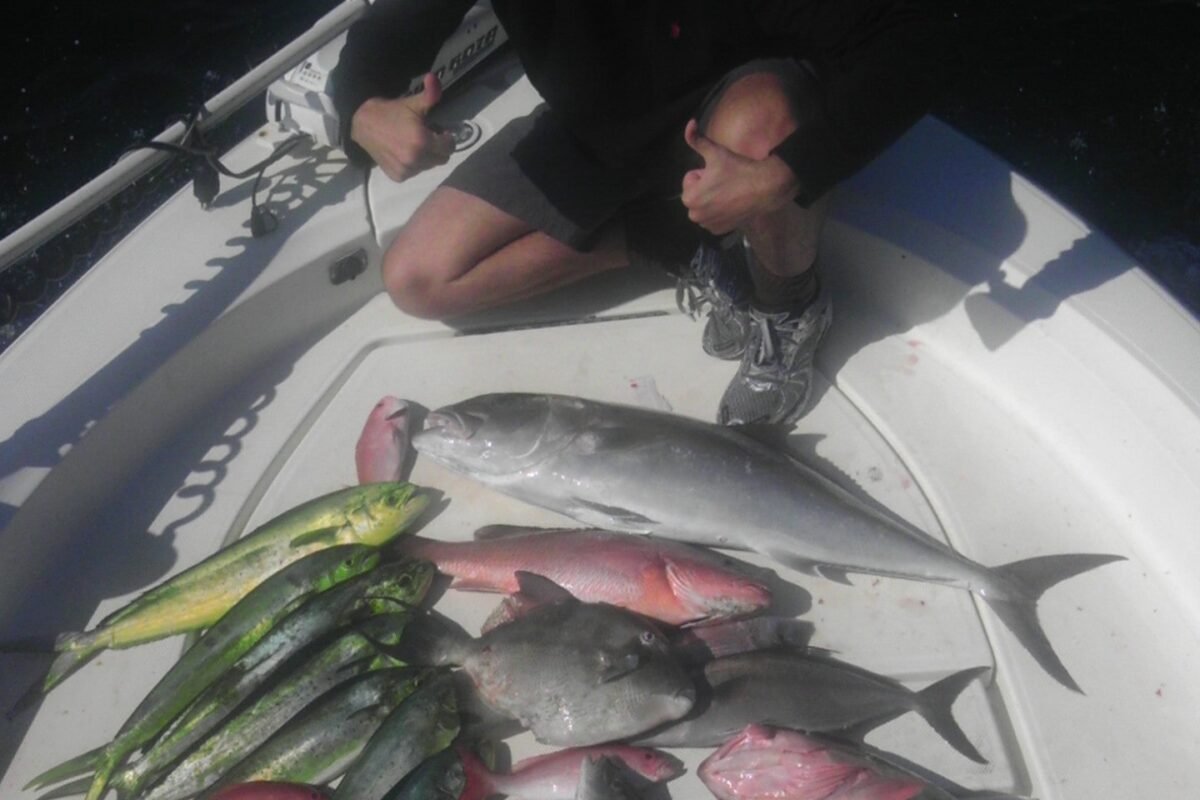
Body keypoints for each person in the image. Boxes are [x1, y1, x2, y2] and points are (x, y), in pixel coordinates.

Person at [331, 1, 947, 425]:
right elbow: (390, 28)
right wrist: (362, 108)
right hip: (593, 130)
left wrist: (785, 173)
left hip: (729, 108)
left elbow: (916, 39)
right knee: (416, 280)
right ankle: (669, 237)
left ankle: (789, 305)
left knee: (761, 131)